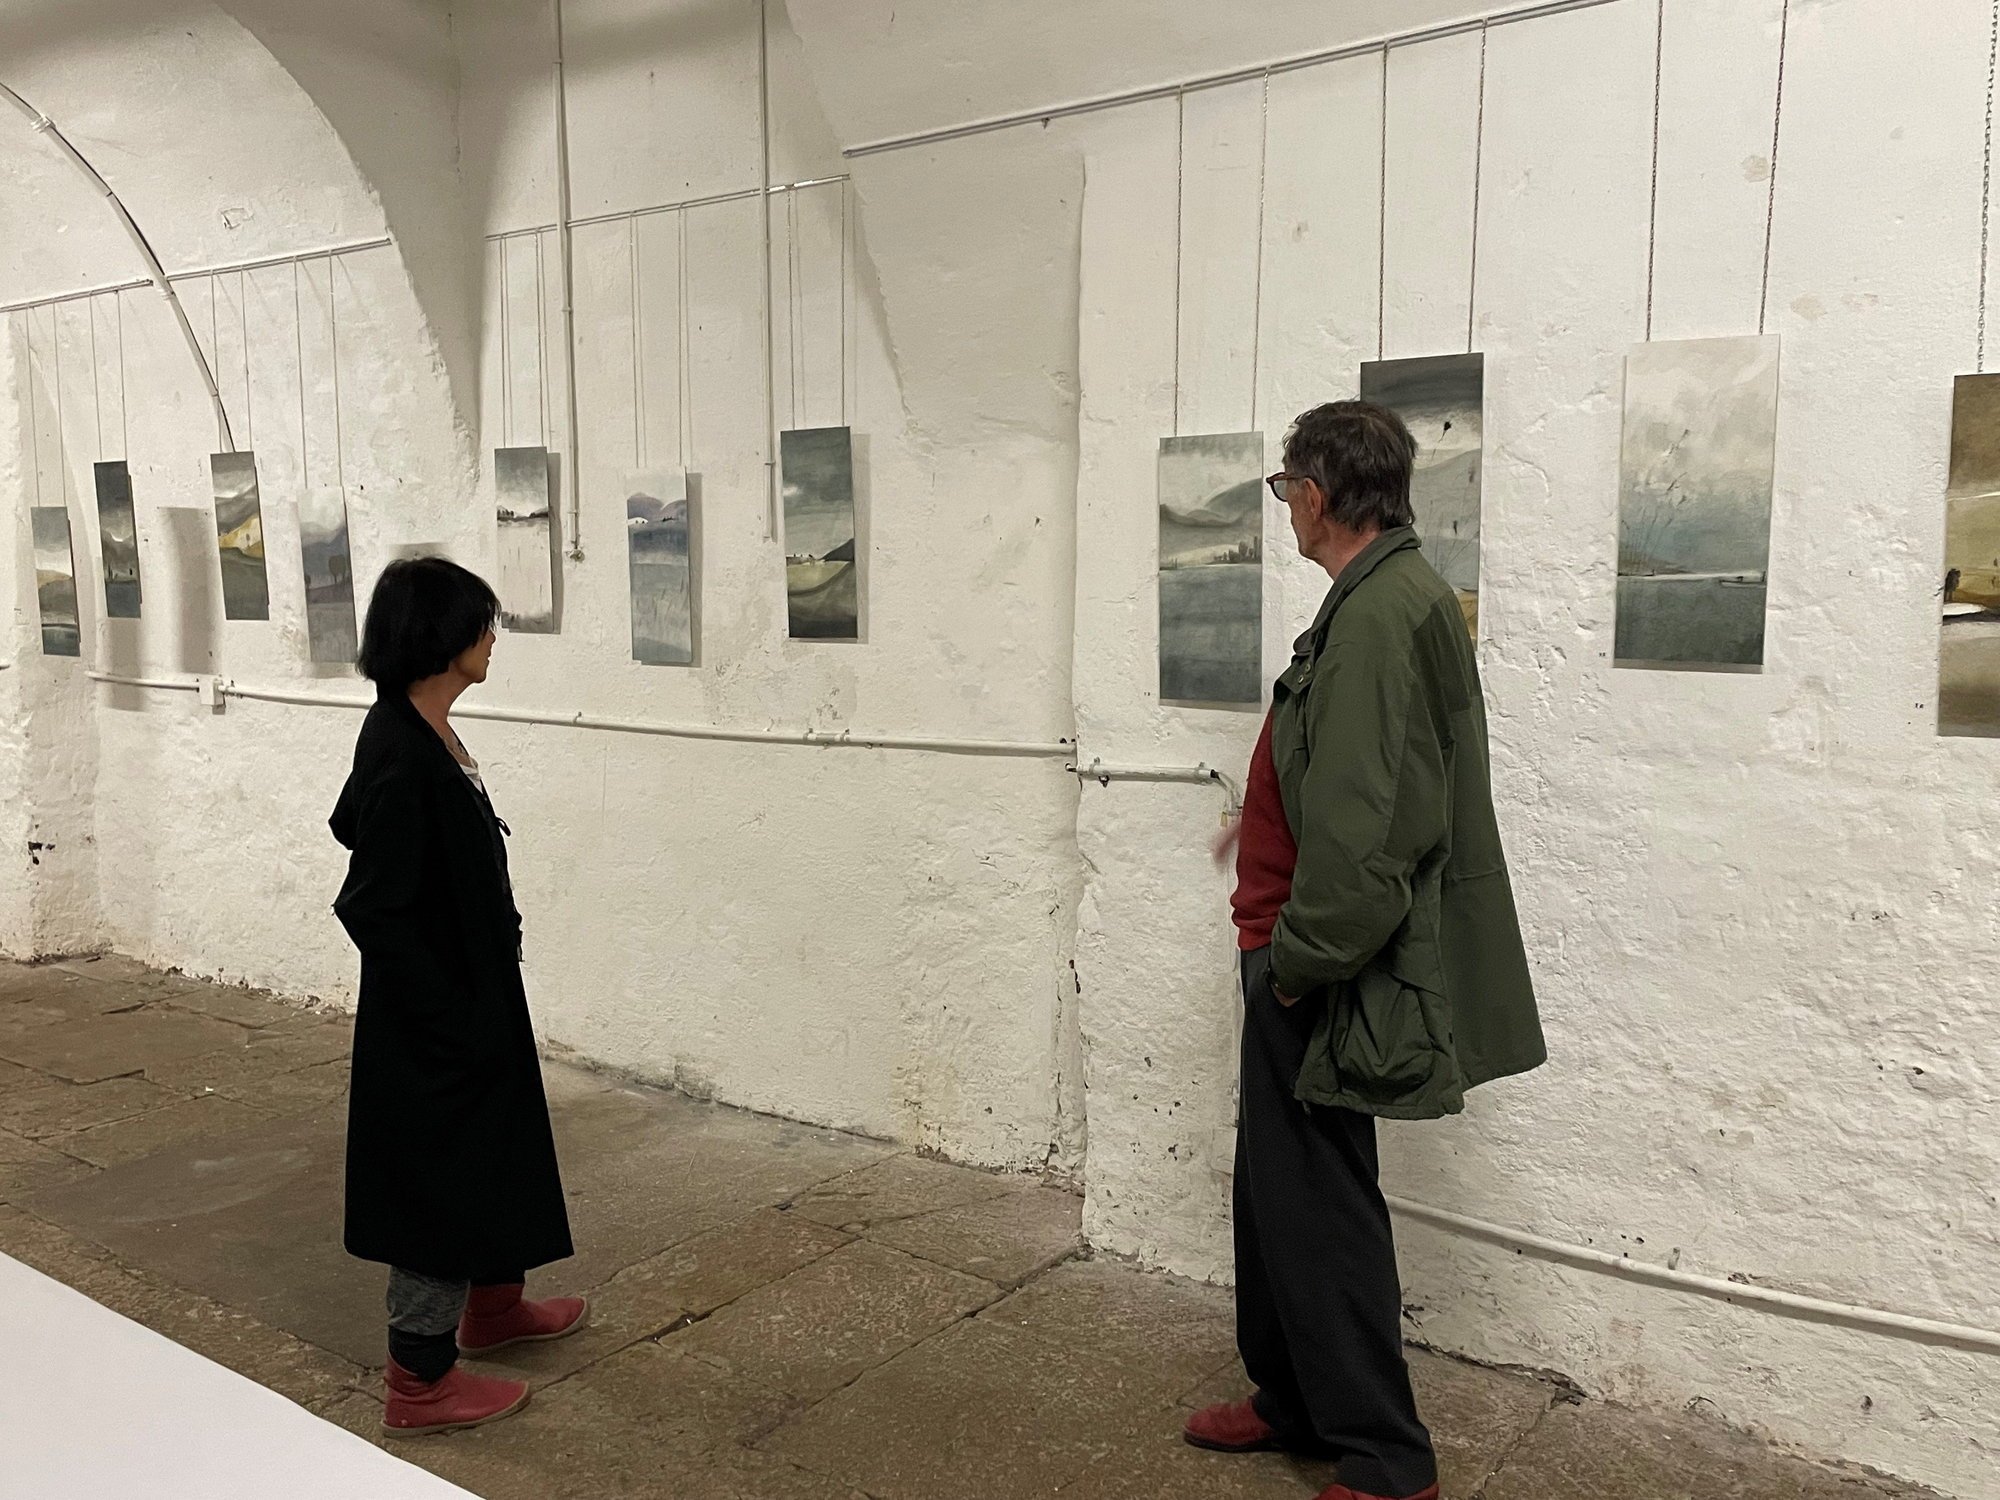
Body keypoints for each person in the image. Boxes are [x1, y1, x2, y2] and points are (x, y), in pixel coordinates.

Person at [1187, 402, 1546, 1500]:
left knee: (1321, 1201)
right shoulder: (1381, 595)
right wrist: (1253, 823)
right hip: (1294, 937)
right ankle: (1292, 1398)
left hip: (1314, 957)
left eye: (1286, 483)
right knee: (1277, 1190)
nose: (1284, 503)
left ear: (1321, 494)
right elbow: (1346, 776)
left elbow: (1372, 830)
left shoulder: (1382, 613)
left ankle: (1386, 1457)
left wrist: (1298, 961)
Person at [330, 557, 583, 1438]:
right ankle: (421, 1382)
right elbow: (371, 904)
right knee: (438, 1184)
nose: (492, 638)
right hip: (435, 1021)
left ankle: (496, 1306)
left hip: (475, 995)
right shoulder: (405, 751)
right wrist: (445, 1015)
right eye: (481, 623)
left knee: (496, 1151)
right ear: (441, 637)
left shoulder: (417, 727)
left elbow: (345, 819)